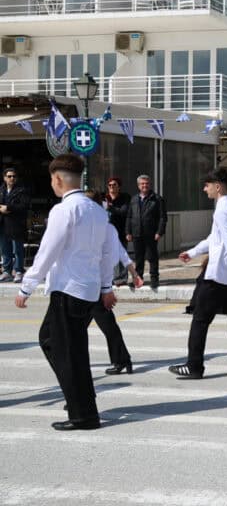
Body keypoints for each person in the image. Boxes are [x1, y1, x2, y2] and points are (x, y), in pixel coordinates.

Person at [15, 154, 122, 431]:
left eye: (52, 180)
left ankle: (83, 414)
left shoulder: (63, 211)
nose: (52, 184)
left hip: (67, 290)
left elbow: (47, 251)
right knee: (52, 340)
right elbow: (107, 254)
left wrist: (27, 285)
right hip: (86, 290)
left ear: (58, 179)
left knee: (69, 352)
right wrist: (106, 286)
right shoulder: (99, 212)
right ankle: (80, 396)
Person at [169, 168, 227, 380]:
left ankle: (194, 366)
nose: (204, 188)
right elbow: (214, 239)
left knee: (200, 319)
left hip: (218, 276)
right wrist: (192, 252)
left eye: (207, 185)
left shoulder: (222, 210)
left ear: (218, 186)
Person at [84, 189, 143, 375]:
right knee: (106, 326)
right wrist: (134, 272)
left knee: (78, 329)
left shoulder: (100, 228)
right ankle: (123, 360)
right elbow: (121, 252)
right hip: (93, 286)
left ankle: (120, 360)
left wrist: (106, 288)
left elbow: (111, 256)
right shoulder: (105, 226)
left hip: (94, 286)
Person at [125, 174, 166, 290]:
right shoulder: (134, 199)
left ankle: (154, 280)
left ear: (150, 184)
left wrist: (159, 232)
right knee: (138, 258)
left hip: (151, 233)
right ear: (138, 186)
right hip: (137, 233)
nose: (145, 186)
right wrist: (128, 232)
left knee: (152, 257)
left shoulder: (157, 199)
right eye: (142, 184)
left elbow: (162, 217)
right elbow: (129, 217)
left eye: (147, 183)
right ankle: (138, 279)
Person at [0, 167, 29, 283]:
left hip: (16, 224)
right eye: (9, 176)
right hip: (3, 223)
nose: (12, 178)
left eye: (14, 176)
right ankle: (7, 272)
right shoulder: (1, 190)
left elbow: (24, 206)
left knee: (17, 249)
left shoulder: (22, 191)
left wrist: (9, 208)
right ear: (4, 178)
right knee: (5, 249)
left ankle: (18, 271)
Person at [102, 177, 131, 285]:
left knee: (122, 254)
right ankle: (112, 278)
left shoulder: (125, 198)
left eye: (114, 185)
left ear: (119, 187)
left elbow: (124, 211)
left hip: (121, 230)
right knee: (109, 255)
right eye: (109, 185)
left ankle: (122, 278)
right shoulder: (105, 198)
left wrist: (110, 208)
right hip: (107, 232)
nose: (112, 187)